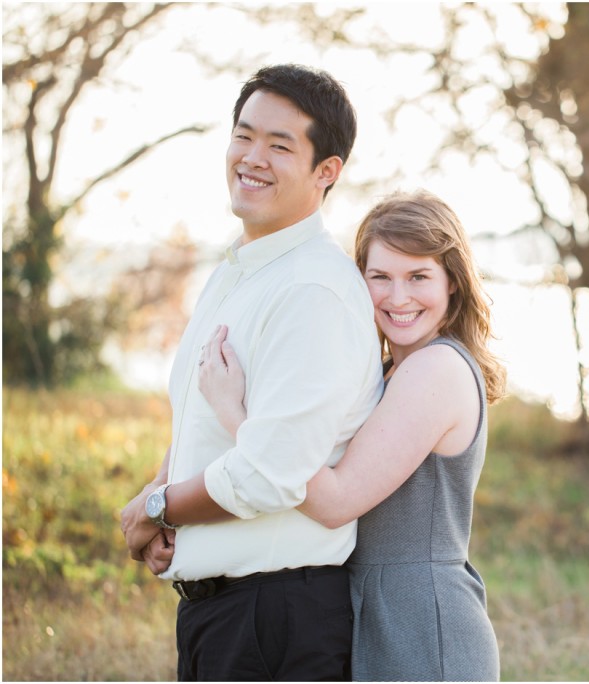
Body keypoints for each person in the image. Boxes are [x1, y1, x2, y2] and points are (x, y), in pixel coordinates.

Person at [119, 63, 383, 681]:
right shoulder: (241, 270)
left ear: (327, 172)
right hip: (226, 618)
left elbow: (270, 473)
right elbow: (200, 419)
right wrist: (159, 490)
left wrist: (161, 508)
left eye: (279, 144)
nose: (251, 157)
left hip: (276, 623)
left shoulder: (312, 290)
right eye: (244, 134)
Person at [197, 189, 506, 681]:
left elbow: (336, 499)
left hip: (420, 621)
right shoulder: (389, 372)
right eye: (379, 277)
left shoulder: (437, 368)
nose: (397, 297)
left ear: (454, 284)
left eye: (419, 277)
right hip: (370, 606)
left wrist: (234, 413)